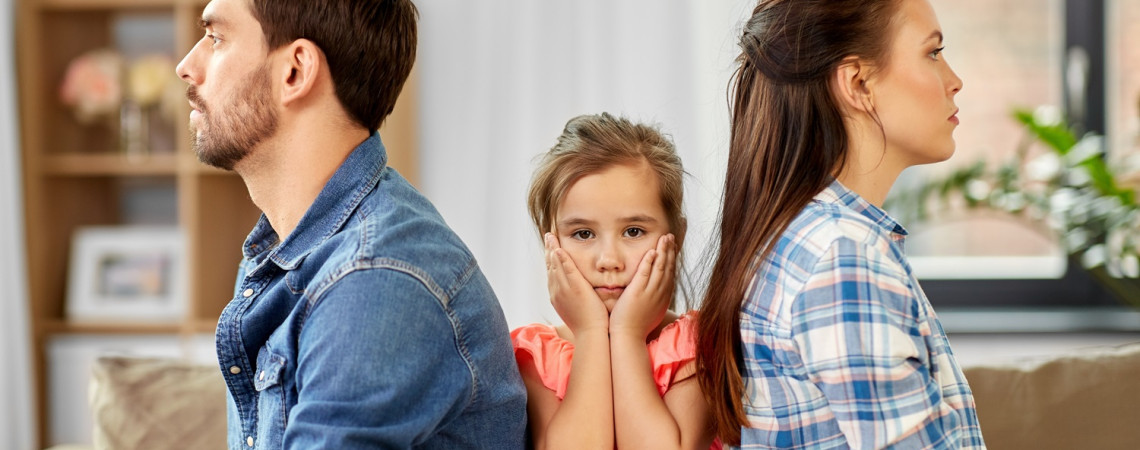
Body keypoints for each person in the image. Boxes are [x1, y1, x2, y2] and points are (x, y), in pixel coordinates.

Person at [175, 0, 526, 448]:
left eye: (216, 38)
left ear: (295, 72)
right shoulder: (288, 251)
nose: (186, 66)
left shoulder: (375, 279)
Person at [695, 0, 986, 448]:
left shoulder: (805, 237)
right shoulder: (842, 259)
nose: (954, 80)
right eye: (933, 52)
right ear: (858, 83)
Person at [512, 113, 719, 449]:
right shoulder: (537, 357)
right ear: (550, 242)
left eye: (633, 231)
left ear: (677, 236)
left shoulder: (700, 346)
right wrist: (591, 332)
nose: (609, 260)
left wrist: (627, 334)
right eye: (583, 234)